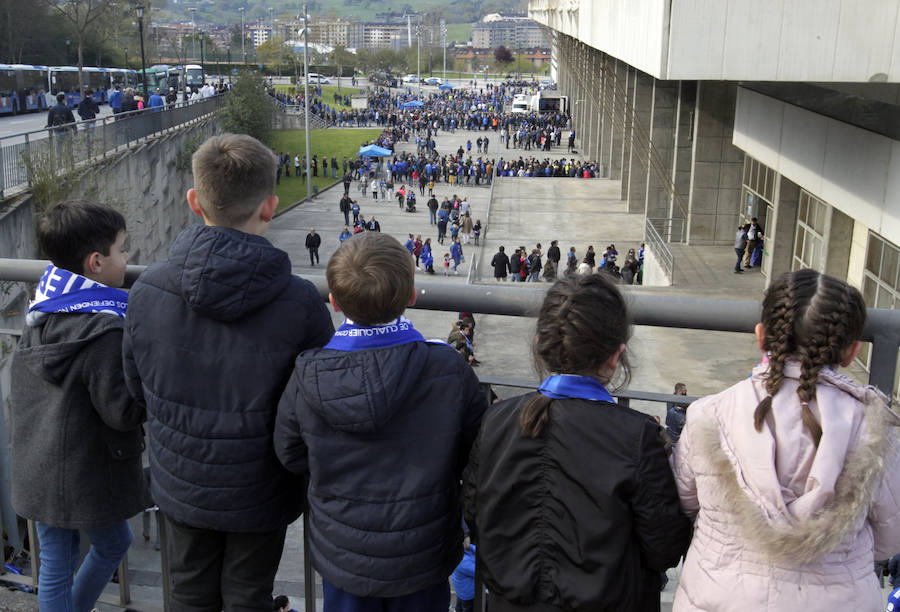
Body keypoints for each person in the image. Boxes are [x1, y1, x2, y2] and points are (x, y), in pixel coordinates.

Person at [123, 134, 335, 611]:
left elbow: (137, 388)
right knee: (248, 596)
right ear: (270, 206)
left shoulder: (147, 289)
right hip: (261, 489)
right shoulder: (300, 302)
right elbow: (314, 404)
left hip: (181, 480)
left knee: (189, 594)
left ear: (194, 200)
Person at [273, 232, 488, 612]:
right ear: (411, 295)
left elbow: (290, 451)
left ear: (334, 303)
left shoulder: (308, 375)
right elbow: (475, 452)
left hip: (345, 550)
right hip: (423, 549)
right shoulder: (448, 369)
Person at [672, 269, 900, 611]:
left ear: (761, 336)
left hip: (718, 599)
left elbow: (685, 503)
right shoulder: (877, 430)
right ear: (852, 351)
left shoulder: (709, 415)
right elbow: (888, 539)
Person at [463, 274, 692, 610]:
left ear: (541, 341)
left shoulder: (496, 422)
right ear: (616, 356)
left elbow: (474, 514)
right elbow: (665, 548)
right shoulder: (636, 437)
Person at [9, 202, 145, 612]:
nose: (128, 259)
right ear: (97, 262)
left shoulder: (45, 306)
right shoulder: (103, 328)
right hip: (78, 471)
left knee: (63, 556)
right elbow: (121, 411)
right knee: (93, 549)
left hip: (39, 462)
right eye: (123, 250)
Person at [450, 538, 476, 612]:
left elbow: (474, 548)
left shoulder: (458, 550)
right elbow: (478, 572)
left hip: (461, 590)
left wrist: (470, 547)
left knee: (460, 606)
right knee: (467, 608)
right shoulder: (462, 562)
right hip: (469, 595)